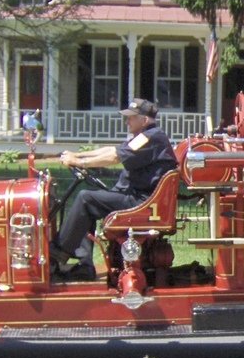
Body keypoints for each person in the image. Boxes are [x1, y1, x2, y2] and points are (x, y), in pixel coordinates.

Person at [50, 98, 178, 280]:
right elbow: (112, 150)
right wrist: (77, 155)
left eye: (131, 117)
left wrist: (79, 162)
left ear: (145, 119)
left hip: (140, 201)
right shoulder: (147, 137)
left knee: (86, 199)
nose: (127, 121)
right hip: (135, 197)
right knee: (90, 203)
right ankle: (84, 265)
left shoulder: (151, 137)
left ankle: (57, 254)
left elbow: (115, 158)